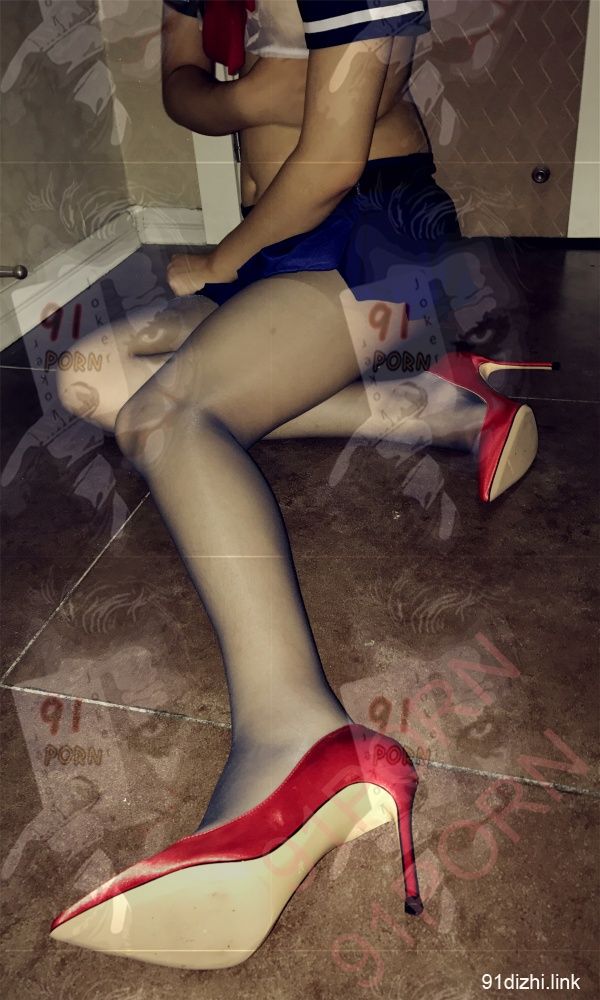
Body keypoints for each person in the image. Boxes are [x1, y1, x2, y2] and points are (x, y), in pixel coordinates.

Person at [50, 0, 556, 968]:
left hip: (381, 242)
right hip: (279, 245)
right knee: (90, 378)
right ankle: (439, 410)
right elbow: (181, 88)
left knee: (170, 417)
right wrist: (258, 96)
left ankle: (295, 735)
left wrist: (218, 253)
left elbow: (325, 159)